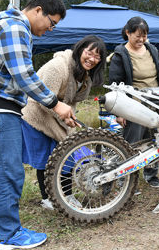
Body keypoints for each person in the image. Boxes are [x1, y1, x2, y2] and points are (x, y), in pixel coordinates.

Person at [0, 0, 76, 249]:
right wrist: (56, 103)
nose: (50, 29)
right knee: (7, 173)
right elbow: (24, 75)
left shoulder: (9, 25)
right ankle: (10, 235)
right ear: (38, 10)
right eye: (52, 23)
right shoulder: (15, 27)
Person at [21, 35, 106, 210]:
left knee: (66, 155)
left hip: (58, 115)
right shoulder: (58, 67)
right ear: (80, 49)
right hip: (37, 115)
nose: (92, 59)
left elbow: (74, 99)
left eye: (97, 57)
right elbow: (42, 99)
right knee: (45, 160)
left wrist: (68, 116)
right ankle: (47, 198)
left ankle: (66, 195)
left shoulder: (82, 72)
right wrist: (63, 116)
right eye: (89, 53)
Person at [109, 16, 159, 194]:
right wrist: (119, 113)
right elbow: (115, 83)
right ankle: (126, 178)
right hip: (133, 106)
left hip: (156, 104)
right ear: (127, 33)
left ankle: (151, 174)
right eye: (138, 36)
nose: (141, 40)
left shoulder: (151, 49)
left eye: (144, 36)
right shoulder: (121, 54)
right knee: (132, 143)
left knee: (154, 141)